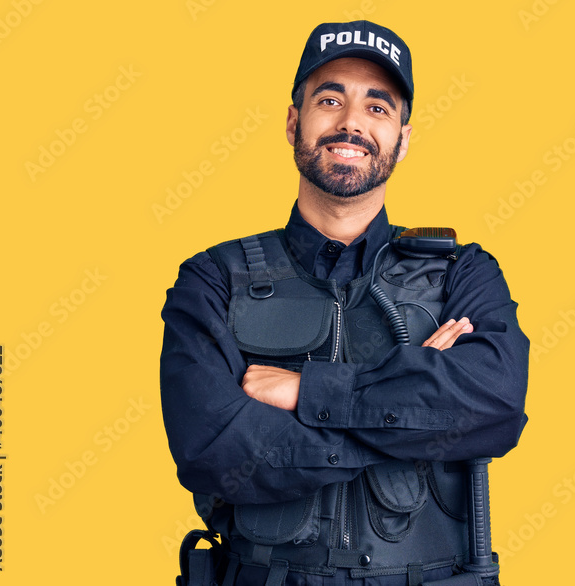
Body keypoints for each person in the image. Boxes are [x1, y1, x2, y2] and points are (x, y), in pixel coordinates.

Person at [159, 20, 529, 586]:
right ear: (293, 122)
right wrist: (418, 414)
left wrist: (308, 392)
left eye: (377, 108)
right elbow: (213, 451)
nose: (351, 122)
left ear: (402, 138)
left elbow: (496, 406)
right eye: (329, 99)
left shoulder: (463, 271)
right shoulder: (213, 279)